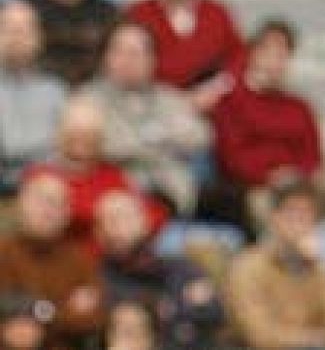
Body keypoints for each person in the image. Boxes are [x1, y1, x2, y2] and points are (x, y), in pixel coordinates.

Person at [210, 20, 325, 235]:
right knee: (258, 204)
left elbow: (313, 155)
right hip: (262, 188)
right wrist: (271, 175)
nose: (275, 62)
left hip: (304, 183)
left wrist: (298, 175)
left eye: (283, 55)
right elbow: (231, 159)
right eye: (269, 52)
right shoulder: (231, 102)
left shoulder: (300, 106)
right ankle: (286, 249)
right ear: (253, 54)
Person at [80, 21, 212, 215]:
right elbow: (109, 146)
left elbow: (201, 137)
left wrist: (142, 142)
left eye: (137, 53)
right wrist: (163, 141)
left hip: (174, 195)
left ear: (152, 60)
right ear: (105, 57)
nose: (128, 60)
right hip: (117, 198)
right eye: (120, 52)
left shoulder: (168, 97)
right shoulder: (88, 99)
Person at [25, 97, 167, 249]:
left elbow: (154, 215)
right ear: (59, 134)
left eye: (90, 133)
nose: (82, 140)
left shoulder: (113, 176)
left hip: (108, 258)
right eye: (75, 132)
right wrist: (107, 216)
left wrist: (130, 222)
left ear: (102, 138)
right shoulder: (41, 175)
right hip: (57, 257)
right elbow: (42, 222)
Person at [225, 179, 325, 350]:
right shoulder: (247, 266)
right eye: (292, 213)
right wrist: (315, 339)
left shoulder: (319, 267)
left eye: (307, 215)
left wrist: (317, 266)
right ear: (274, 218)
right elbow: (258, 334)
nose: (299, 222)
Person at [122, 0, 245, 106]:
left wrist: (213, 91)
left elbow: (238, 61)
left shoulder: (217, 14)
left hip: (208, 107)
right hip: (149, 105)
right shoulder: (137, 13)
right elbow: (125, 65)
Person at [97, 190, 224, 350]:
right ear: (99, 231)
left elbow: (214, 312)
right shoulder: (99, 275)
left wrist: (167, 309)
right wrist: (179, 307)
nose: (121, 226)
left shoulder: (180, 266)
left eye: (127, 216)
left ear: (144, 221)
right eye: (112, 220)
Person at [0, 172, 104, 350]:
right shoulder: (3, 252)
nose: (47, 210)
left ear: (67, 213)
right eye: (40, 200)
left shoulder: (80, 260)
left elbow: (93, 317)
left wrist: (30, 312)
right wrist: (58, 311)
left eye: (58, 203)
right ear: (20, 204)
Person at [0, 0, 67, 193]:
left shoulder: (56, 89)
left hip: (47, 186)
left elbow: (63, 151)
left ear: (39, 39)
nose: (17, 38)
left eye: (24, 31)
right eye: (9, 30)